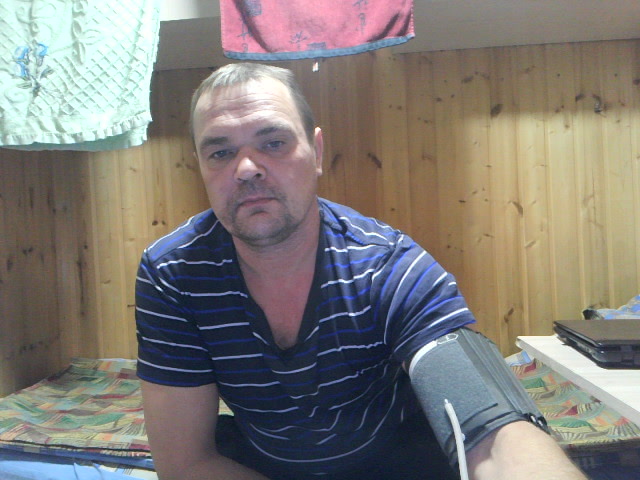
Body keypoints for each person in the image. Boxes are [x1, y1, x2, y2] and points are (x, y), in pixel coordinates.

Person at [135, 62, 587, 480]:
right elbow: (186, 461)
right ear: (201, 167)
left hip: (393, 461)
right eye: (220, 153)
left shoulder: (391, 267)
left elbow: (494, 430)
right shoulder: (172, 274)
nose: (247, 168)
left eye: (274, 143)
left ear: (316, 151)